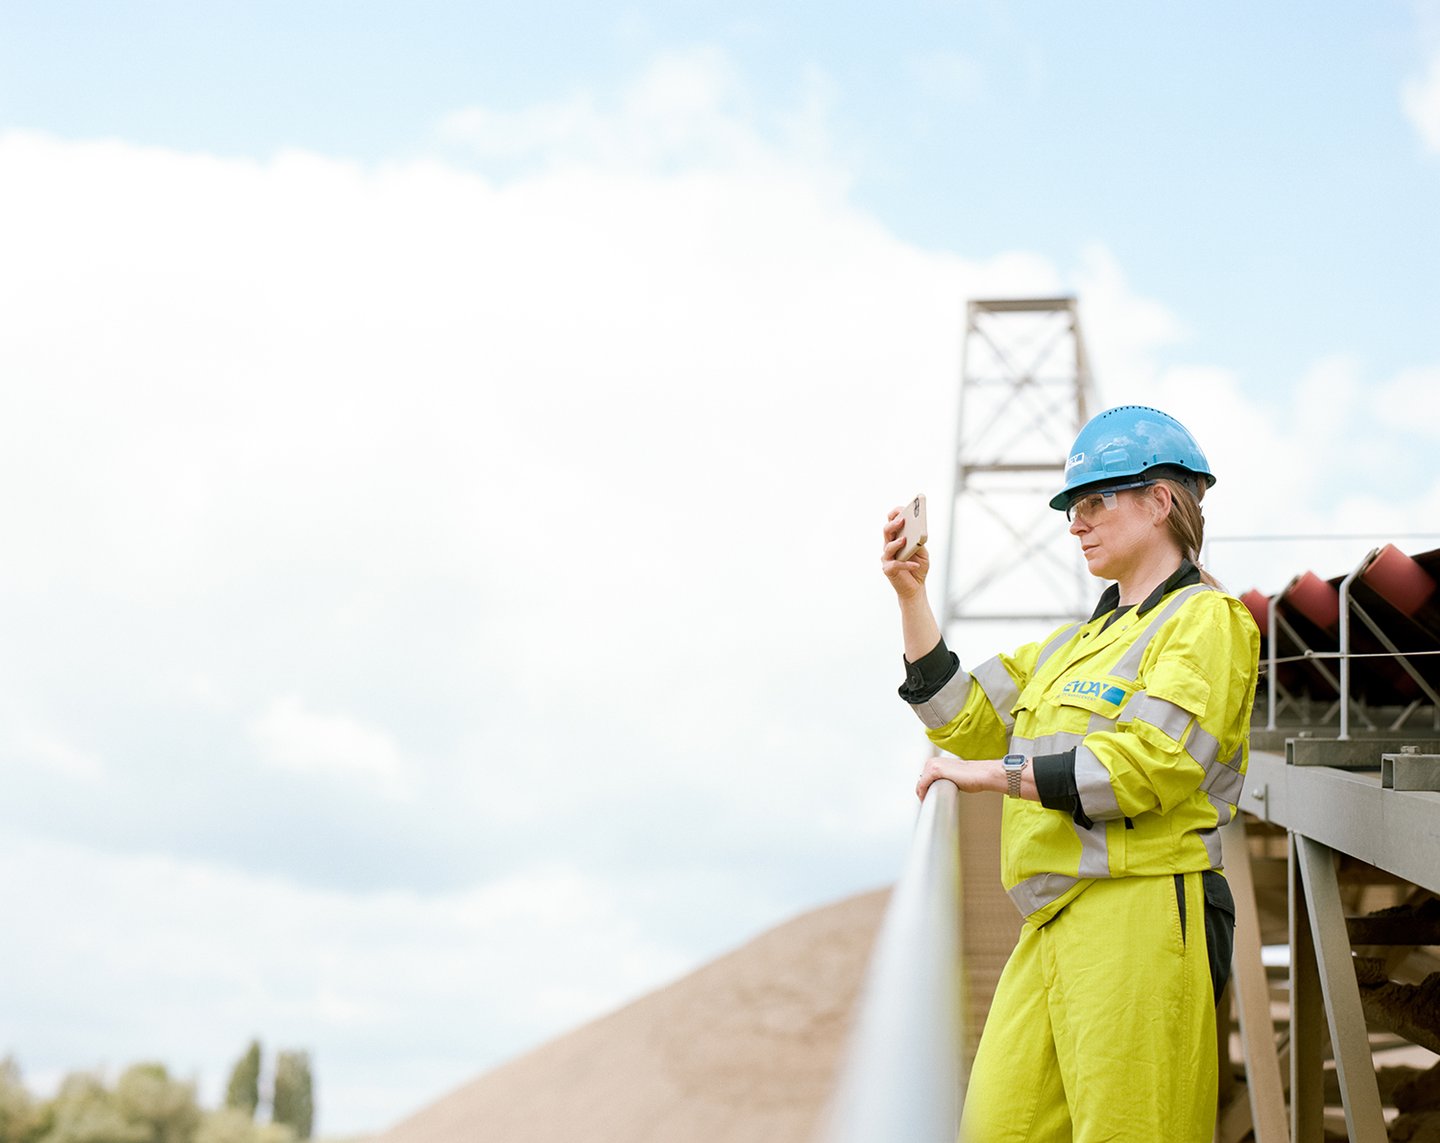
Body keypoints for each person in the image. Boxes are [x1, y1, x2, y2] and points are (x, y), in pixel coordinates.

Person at [880, 405, 1260, 1143]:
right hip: (1051, 920)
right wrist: (910, 594)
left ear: (1161, 500)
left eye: (1095, 501)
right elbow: (959, 714)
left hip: (1142, 916)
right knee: (995, 1128)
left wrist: (996, 773)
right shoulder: (1071, 646)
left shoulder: (1206, 621)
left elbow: (1149, 766)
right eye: (1071, 508)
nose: (1076, 522)